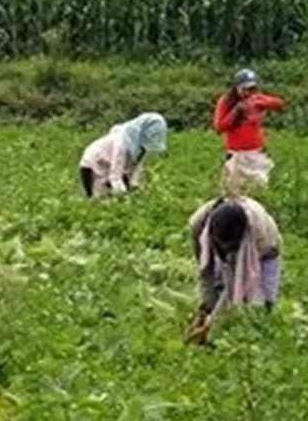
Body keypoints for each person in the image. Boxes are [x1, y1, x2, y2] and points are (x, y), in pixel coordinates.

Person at [184, 196, 283, 346]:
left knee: (264, 302)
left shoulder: (256, 232)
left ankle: (261, 340)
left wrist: (209, 325)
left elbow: (232, 287)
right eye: (223, 245)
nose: (226, 249)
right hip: (226, 239)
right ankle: (215, 338)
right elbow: (205, 269)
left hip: (266, 251)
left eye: (230, 247)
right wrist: (205, 309)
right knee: (216, 288)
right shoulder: (198, 224)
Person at [213, 69, 285, 194]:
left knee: (260, 190)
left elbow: (279, 104)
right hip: (236, 155)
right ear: (236, 88)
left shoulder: (256, 99)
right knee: (233, 193)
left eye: (251, 88)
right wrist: (236, 111)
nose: (248, 92)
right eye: (244, 89)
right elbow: (219, 128)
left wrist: (260, 101)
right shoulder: (226, 102)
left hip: (256, 155)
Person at [79, 112, 168, 198]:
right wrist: (124, 196)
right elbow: (115, 175)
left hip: (109, 166)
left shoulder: (141, 147)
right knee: (98, 199)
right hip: (93, 166)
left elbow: (135, 168)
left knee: (115, 193)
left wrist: (135, 187)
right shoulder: (120, 141)